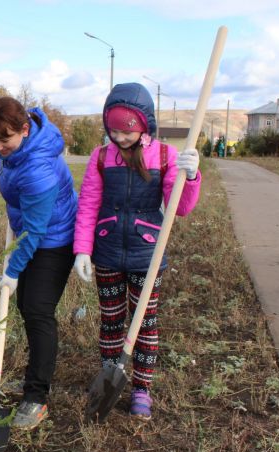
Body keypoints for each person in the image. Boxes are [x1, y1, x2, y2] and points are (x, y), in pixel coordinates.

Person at [73, 82, 202, 420]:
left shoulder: (164, 156)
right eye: (112, 130)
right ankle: (108, 377)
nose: (120, 138)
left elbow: (181, 208)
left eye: (126, 131)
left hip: (148, 255)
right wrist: (82, 250)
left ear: (145, 125)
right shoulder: (101, 158)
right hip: (108, 251)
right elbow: (88, 205)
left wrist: (191, 177)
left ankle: (141, 390)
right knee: (111, 321)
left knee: (144, 324)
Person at [0, 96, 78, 430]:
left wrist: (12, 270)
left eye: (4, 140)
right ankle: (30, 383)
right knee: (26, 305)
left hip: (55, 240)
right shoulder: (14, 148)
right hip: (33, 232)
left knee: (37, 310)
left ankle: (36, 398)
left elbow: (37, 229)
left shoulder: (38, 168)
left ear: (25, 129)